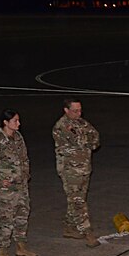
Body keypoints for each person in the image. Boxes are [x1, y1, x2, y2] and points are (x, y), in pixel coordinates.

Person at [0, 109, 37, 256]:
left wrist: (26, 175)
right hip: (5, 191)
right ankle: (2, 252)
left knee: (22, 216)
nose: (19, 123)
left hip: (21, 187)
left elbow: (24, 158)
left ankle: (21, 246)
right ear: (6, 122)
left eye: (18, 120)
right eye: (15, 121)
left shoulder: (18, 137)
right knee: (6, 220)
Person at [52, 98, 101, 247]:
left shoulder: (81, 123)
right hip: (70, 170)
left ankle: (69, 226)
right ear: (66, 111)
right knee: (78, 201)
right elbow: (79, 143)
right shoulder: (61, 127)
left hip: (84, 167)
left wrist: (87, 143)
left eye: (80, 110)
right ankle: (87, 232)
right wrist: (86, 143)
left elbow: (95, 137)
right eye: (75, 111)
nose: (79, 113)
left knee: (76, 199)